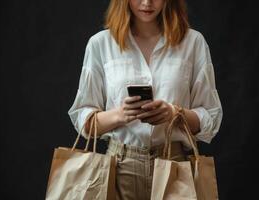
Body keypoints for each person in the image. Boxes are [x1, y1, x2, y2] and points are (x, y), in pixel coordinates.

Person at [68, 0, 223, 199]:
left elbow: (210, 117)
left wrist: (174, 113)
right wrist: (120, 115)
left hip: (175, 165)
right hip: (118, 168)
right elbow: (84, 121)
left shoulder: (193, 42)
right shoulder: (101, 44)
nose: (147, 2)